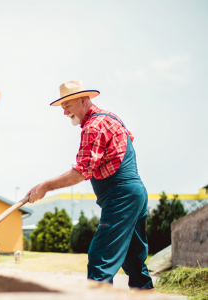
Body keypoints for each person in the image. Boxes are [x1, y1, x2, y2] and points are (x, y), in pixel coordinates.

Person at [26, 80, 154, 290]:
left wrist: (45, 186)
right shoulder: (111, 118)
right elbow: (127, 140)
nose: (64, 112)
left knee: (100, 259)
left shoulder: (93, 127)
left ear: (83, 101)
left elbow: (81, 172)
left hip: (120, 196)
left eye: (67, 106)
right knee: (134, 262)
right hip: (136, 194)